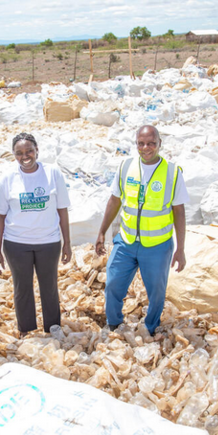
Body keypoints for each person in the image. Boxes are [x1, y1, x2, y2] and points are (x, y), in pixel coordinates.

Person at [95, 125, 188, 336]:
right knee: (113, 285)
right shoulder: (126, 166)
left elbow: (179, 212)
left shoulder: (172, 172)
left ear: (159, 144)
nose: (146, 148)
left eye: (151, 143)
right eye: (141, 143)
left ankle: (150, 327)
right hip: (126, 241)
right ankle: (115, 325)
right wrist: (102, 232)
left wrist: (180, 248)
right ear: (136, 144)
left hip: (157, 245)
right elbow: (115, 200)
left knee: (156, 292)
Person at [0, 133, 72, 336]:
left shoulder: (53, 174)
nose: (25, 156)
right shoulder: (7, 180)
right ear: (14, 155)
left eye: (29, 151)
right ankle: (26, 330)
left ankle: (53, 327)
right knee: (22, 287)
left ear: (37, 150)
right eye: (19, 153)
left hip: (48, 242)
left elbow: (62, 210)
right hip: (16, 243)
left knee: (49, 286)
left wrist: (67, 243)